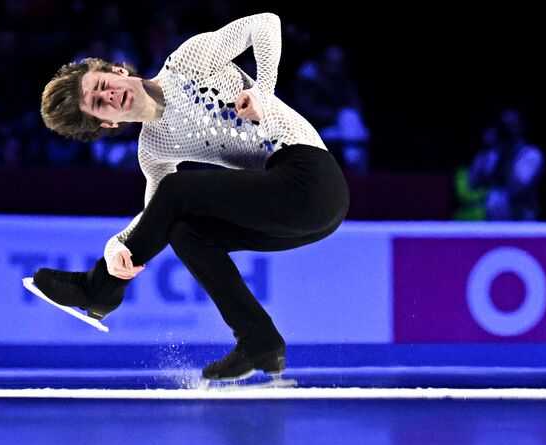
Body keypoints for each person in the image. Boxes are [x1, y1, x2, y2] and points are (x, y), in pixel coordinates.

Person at [31, 12, 350, 383]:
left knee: (177, 192)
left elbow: (267, 22)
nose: (109, 95)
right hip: (299, 218)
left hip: (313, 181)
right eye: (98, 103)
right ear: (107, 123)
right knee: (185, 231)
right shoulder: (152, 148)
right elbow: (157, 215)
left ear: (117, 70)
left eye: (101, 84)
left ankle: (98, 291)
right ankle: (259, 342)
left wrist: (263, 89)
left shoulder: (187, 62)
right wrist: (115, 245)